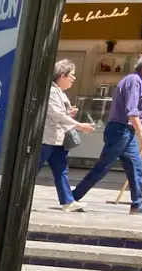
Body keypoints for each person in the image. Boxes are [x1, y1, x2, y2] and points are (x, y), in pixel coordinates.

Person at [72, 52, 142, 215]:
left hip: (126, 131)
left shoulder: (139, 82)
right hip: (120, 130)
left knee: (136, 166)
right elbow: (132, 111)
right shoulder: (134, 81)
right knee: (103, 167)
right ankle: (71, 198)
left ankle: (137, 204)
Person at [40, 59, 94, 212]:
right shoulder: (51, 92)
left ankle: (68, 201)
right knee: (32, 170)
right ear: (62, 75)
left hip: (57, 139)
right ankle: (15, 197)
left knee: (61, 169)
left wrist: (69, 113)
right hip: (47, 138)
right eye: (72, 75)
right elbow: (56, 114)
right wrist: (78, 125)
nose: (73, 79)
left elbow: (58, 113)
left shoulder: (59, 92)